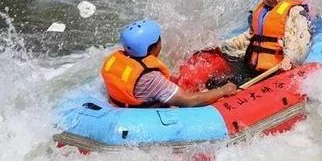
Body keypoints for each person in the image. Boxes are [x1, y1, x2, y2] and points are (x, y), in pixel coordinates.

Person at [174, 0, 312, 89]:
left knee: (232, 84)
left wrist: (289, 58)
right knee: (214, 81)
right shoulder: (262, 12)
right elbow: (248, 39)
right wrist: (222, 46)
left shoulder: (295, 12)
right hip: (253, 68)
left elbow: (299, 40)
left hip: (276, 71)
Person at [101, 20, 237, 107]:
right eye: (159, 40)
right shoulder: (150, 78)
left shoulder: (120, 59)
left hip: (125, 104)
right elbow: (189, 100)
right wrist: (223, 90)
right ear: (153, 47)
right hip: (145, 115)